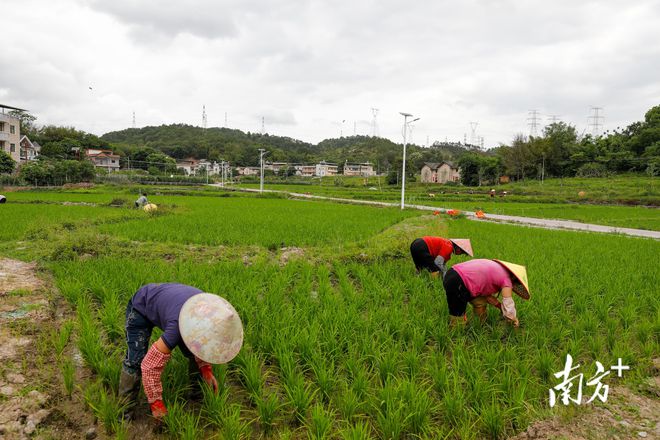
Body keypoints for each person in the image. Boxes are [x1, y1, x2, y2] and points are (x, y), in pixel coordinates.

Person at [118, 283, 243, 421]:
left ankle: (197, 395)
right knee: (135, 361)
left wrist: (206, 370)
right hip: (141, 306)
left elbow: (202, 344)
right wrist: (156, 404)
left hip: (171, 304)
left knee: (193, 350)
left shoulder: (207, 311)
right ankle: (124, 415)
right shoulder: (177, 326)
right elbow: (149, 365)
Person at [442, 259, 530, 327]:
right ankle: (456, 338)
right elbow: (509, 306)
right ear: (515, 278)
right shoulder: (506, 281)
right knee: (458, 316)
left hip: (453, 273)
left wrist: (500, 307)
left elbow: (488, 297)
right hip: (458, 282)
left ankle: (478, 325)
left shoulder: (497, 268)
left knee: (480, 301)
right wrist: (514, 320)